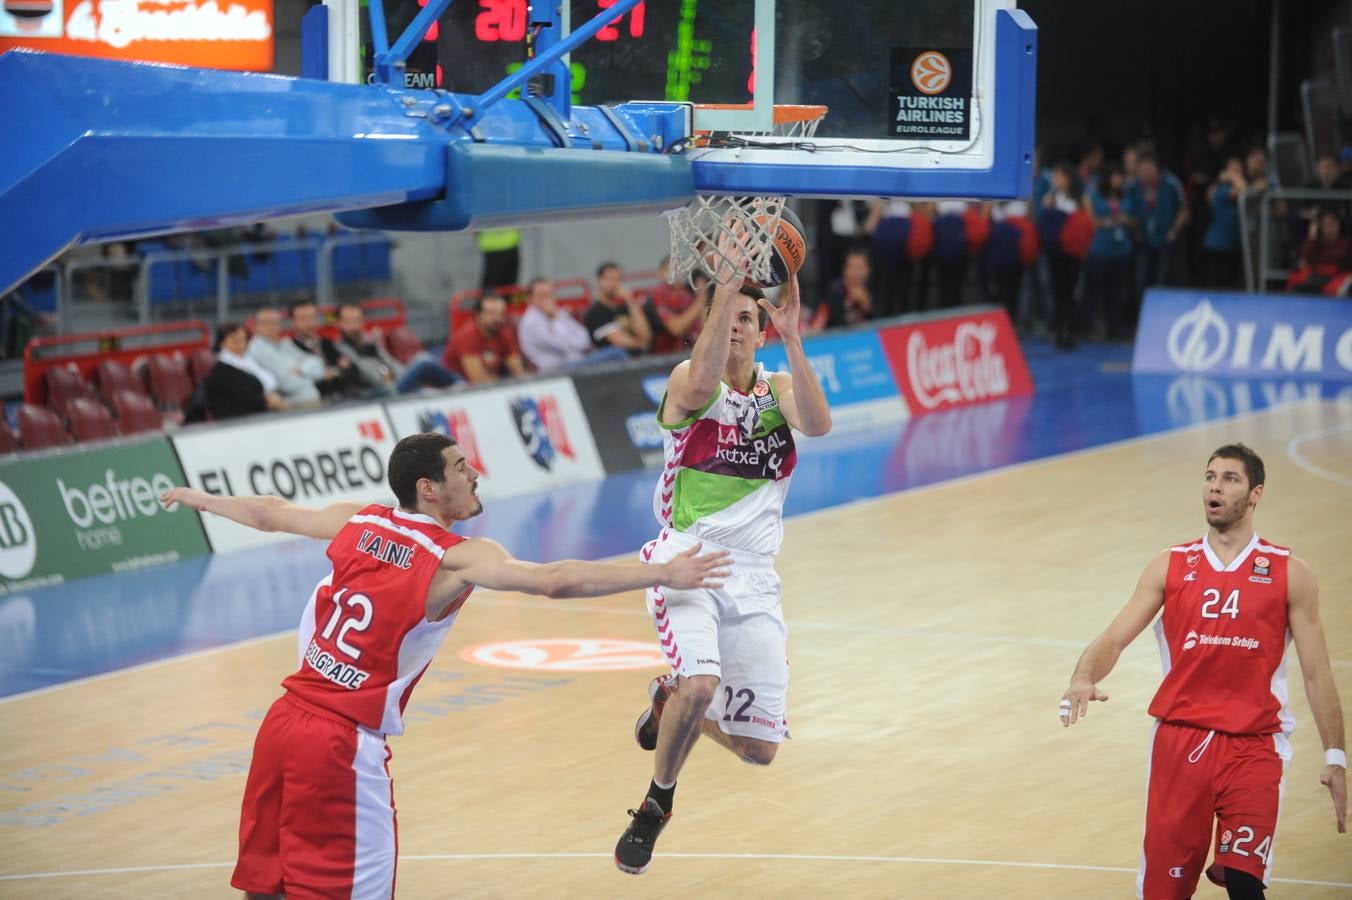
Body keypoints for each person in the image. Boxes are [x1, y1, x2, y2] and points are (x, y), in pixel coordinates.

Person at [159, 432, 731, 899]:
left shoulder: (361, 518)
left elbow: (269, 513)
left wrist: (200, 501)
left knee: (269, 886)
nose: (474, 473)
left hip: (281, 724)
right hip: (341, 744)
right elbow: (556, 581)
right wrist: (663, 573)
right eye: (461, 467)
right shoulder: (456, 558)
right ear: (429, 488)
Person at [613, 245, 833, 876]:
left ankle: (668, 699)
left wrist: (794, 341)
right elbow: (705, 382)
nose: (736, 325)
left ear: (760, 332)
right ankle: (656, 805)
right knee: (704, 683)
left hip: (757, 576)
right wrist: (727, 283)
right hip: (689, 558)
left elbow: (817, 426)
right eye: (725, 314)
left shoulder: (780, 389)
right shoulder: (689, 382)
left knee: (759, 750)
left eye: (746, 318)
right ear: (710, 318)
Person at [1059, 444, 1346, 900]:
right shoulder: (1170, 566)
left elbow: (1317, 674)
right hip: (1179, 744)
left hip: (1255, 747)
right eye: (1210, 476)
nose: (1215, 486)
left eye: (1229, 478)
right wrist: (1083, 676)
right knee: (1165, 892)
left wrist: (1335, 756)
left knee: (1244, 882)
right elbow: (1112, 639)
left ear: (1255, 494)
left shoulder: (1290, 573)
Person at [334, 303, 459, 395]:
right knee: (423, 361)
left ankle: (459, 388)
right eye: (348, 322)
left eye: (357, 321)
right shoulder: (340, 348)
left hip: (395, 385)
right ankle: (461, 385)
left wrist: (405, 377)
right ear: (338, 323)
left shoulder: (370, 344)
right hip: (375, 393)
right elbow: (371, 376)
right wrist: (392, 379)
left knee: (423, 360)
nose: (354, 326)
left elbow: (392, 363)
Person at [517, 278, 628, 372]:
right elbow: (560, 345)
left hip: (578, 361)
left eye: (549, 295)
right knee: (615, 354)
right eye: (542, 295)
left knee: (616, 352)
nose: (547, 299)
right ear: (530, 298)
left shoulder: (558, 313)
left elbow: (584, 337)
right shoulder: (530, 322)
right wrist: (554, 319)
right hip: (554, 369)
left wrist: (556, 318)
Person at [204, 321, 285, 420]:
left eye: (243, 338)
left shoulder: (247, 361)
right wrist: (270, 401)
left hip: (260, 412)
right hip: (239, 421)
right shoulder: (221, 371)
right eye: (235, 339)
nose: (240, 342)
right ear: (221, 343)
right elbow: (247, 397)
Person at [246, 307, 323, 408]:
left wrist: (300, 369)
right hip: (282, 406)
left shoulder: (283, 344)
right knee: (312, 394)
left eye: (275, 323)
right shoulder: (258, 348)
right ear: (256, 326)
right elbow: (286, 384)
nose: (271, 327)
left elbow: (318, 363)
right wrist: (308, 376)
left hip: (303, 399)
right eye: (266, 323)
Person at [441, 294, 527, 383]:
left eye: (501, 313)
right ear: (478, 315)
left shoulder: (504, 333)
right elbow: (477, 379)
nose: (497, 319)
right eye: (491, 314)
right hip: (457, 387)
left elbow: (518, 370)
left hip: (490, 383)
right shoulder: (468, 335)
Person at [289, 300, 360, 398]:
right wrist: (331, 373)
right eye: (303, 319)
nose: (309, 323)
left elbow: (352, 370)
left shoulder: (328, 343)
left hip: (347, 397)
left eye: (312, 317)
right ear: (293, 322)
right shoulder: (290, 349)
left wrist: (331, 373)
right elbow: (301, 381)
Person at [585, 262, 651, 355]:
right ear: (598, 281)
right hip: (614, 364)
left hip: (639, 358)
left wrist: (630, 301)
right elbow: (618, 341)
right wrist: (641, 344)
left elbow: (645, 335)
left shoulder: (623, 307)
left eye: (618, 279)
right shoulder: (595, 311)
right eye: (610, 279)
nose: (614, 284)